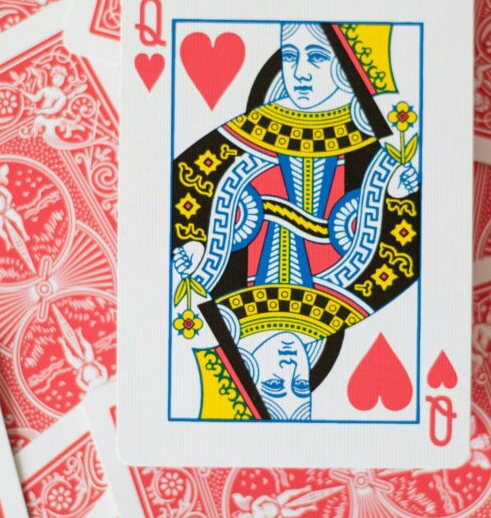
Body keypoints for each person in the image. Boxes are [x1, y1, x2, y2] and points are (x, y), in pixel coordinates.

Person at [170, 21, 421, 421]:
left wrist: (190, 249)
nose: (300, 72)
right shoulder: (356, 300)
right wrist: (406, 189)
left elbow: (180, 196)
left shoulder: (206, 293)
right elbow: (407, 245)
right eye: (300, 385)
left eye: (317, 57)